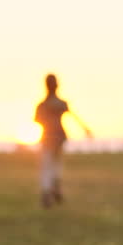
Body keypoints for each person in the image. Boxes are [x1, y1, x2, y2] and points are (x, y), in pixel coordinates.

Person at [34, 73, 93, 208]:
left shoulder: (42, 104)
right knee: (56, 164)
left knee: (47, 165)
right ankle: (54, 189)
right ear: (57, 85)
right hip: (59, 137)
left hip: (47, 137)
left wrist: (47, 121)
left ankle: (48, 191)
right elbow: (74, 117)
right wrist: (85, 129)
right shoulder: (60, 103)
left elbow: (36, 120)